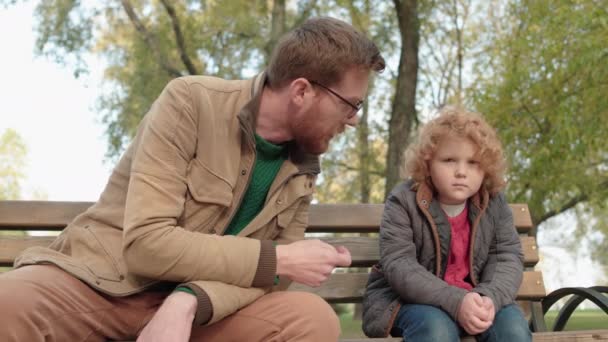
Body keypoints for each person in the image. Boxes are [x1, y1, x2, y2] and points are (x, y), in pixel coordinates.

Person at [0, 17, 385, 342]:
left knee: (311, 319)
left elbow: (271, 280)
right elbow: (147, 243)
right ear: (301, 90)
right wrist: (280, 257)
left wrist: (189, 301)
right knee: (9, 301)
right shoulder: (190, 102)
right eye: (351, 104)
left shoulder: (304, 165)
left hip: (202, 313)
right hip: (106, 287)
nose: (353, 119)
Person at [362, 107, 532, 342]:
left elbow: (506, 257)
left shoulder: (494, 203)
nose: (461, 172)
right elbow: (399, 264)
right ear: (428, 162)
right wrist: (456, 301)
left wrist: (489, 297)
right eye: (450, 160)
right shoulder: (403, 200)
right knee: (437, 330)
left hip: (479, 298)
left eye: (473, 162)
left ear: (486, 169)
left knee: (513, 330)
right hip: (413, 301)